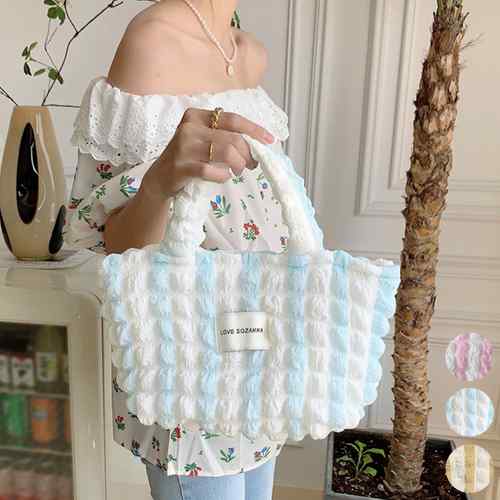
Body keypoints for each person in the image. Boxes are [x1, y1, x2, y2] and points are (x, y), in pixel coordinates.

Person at [63, 1, 292, 499]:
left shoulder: (249, 53)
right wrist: (161, 179)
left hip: (259, 351)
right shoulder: (152, 41)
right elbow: (115, 245)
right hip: (191, 361)